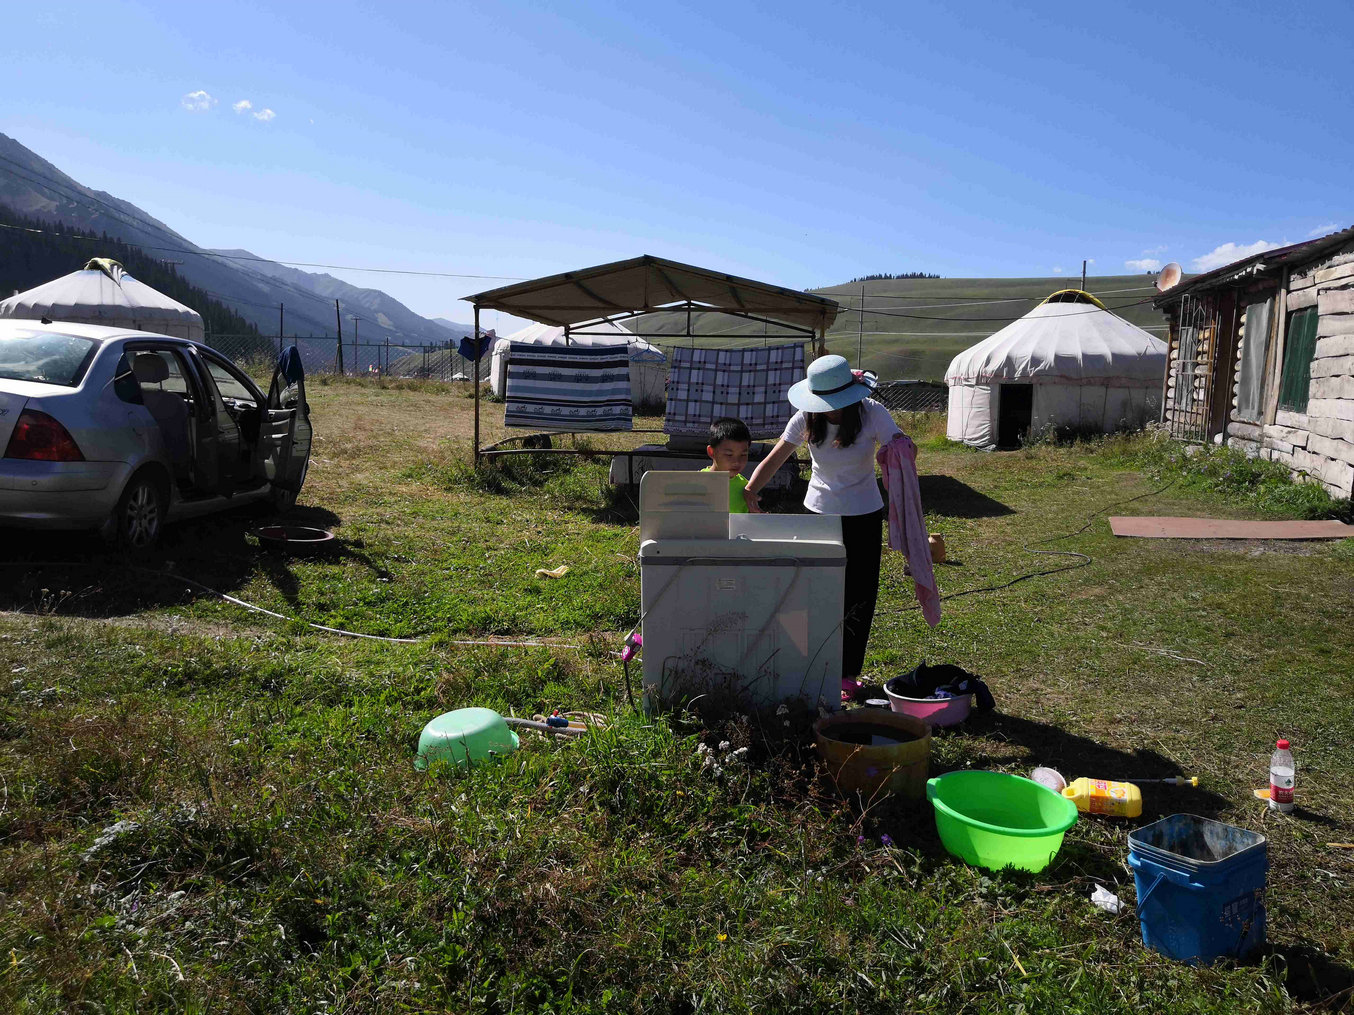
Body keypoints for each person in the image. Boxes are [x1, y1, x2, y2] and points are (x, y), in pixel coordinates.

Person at [744, 355, 902, 689]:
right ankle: (812, 661)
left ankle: (846, 674)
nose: (830, 409)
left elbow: (898, 442)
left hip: (863, 514)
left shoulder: (872, 412)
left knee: (859, 593)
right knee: (816, 591)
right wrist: (750, 490)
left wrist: (901, 447)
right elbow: (776, 456)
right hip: (819, 513)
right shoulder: (805, 418)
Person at [702, 416, 752, 513]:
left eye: (743, 455)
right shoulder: (697, 483)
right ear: (711, 452)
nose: (737, 462)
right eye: (729, 455)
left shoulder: (746, 488)